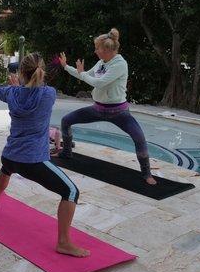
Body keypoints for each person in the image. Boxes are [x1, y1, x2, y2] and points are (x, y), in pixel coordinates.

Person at [0, 53, 90, 258]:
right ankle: (63, 242)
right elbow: (32, 90)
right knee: (71, 192)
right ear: (41, 73)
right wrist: (18, 87)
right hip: (33, 162)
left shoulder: (11, 93)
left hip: (10, 156)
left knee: (6, 170)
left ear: (21, 73)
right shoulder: (48, 94)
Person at [55, 28, 157, 185]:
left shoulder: (120, 65)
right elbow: (86, 74)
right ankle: (67, 153)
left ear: (107, 50)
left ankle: (146, 173)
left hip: (119, 112)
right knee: (66, 120)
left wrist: (82, 74)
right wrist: (66, 66)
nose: (95, 51)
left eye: (97, 48)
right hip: (98, 109)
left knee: (140, 139)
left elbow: (99, 82)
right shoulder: (102, 62)